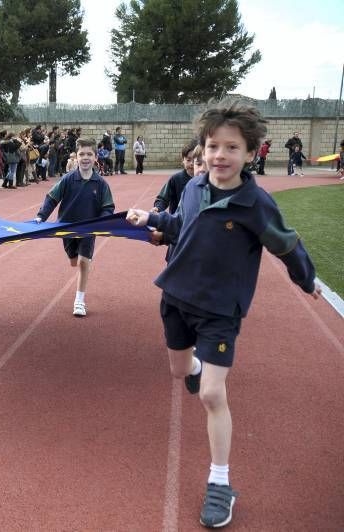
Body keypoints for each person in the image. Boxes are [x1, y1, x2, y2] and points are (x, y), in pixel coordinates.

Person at [126, 102, 320, 529]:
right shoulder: (194, 188)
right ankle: (193, 365)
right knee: (180, 371)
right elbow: (180, 225)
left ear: (251, 152)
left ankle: (220, 482)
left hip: (219, 311)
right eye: (213, 145)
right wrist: (151, 218)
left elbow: (286, 245)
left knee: (212, 394)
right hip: (175, 296)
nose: (219, 155)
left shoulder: (255, 205)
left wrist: (308, 281)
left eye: (232, 147)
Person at [34, 139, 115, 317]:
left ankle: (79, 300)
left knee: (83, 262)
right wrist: (41, 216)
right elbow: (52, 198)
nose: (85, 158)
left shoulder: (101, 184)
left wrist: (102, 223)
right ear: (76, 157)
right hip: (67, 228)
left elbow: (108, 208)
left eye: (89, 154)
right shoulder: (68, 179)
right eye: (81, 154)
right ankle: (77, 261)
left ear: (95, 158)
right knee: (73, 261)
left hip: (89, 228)